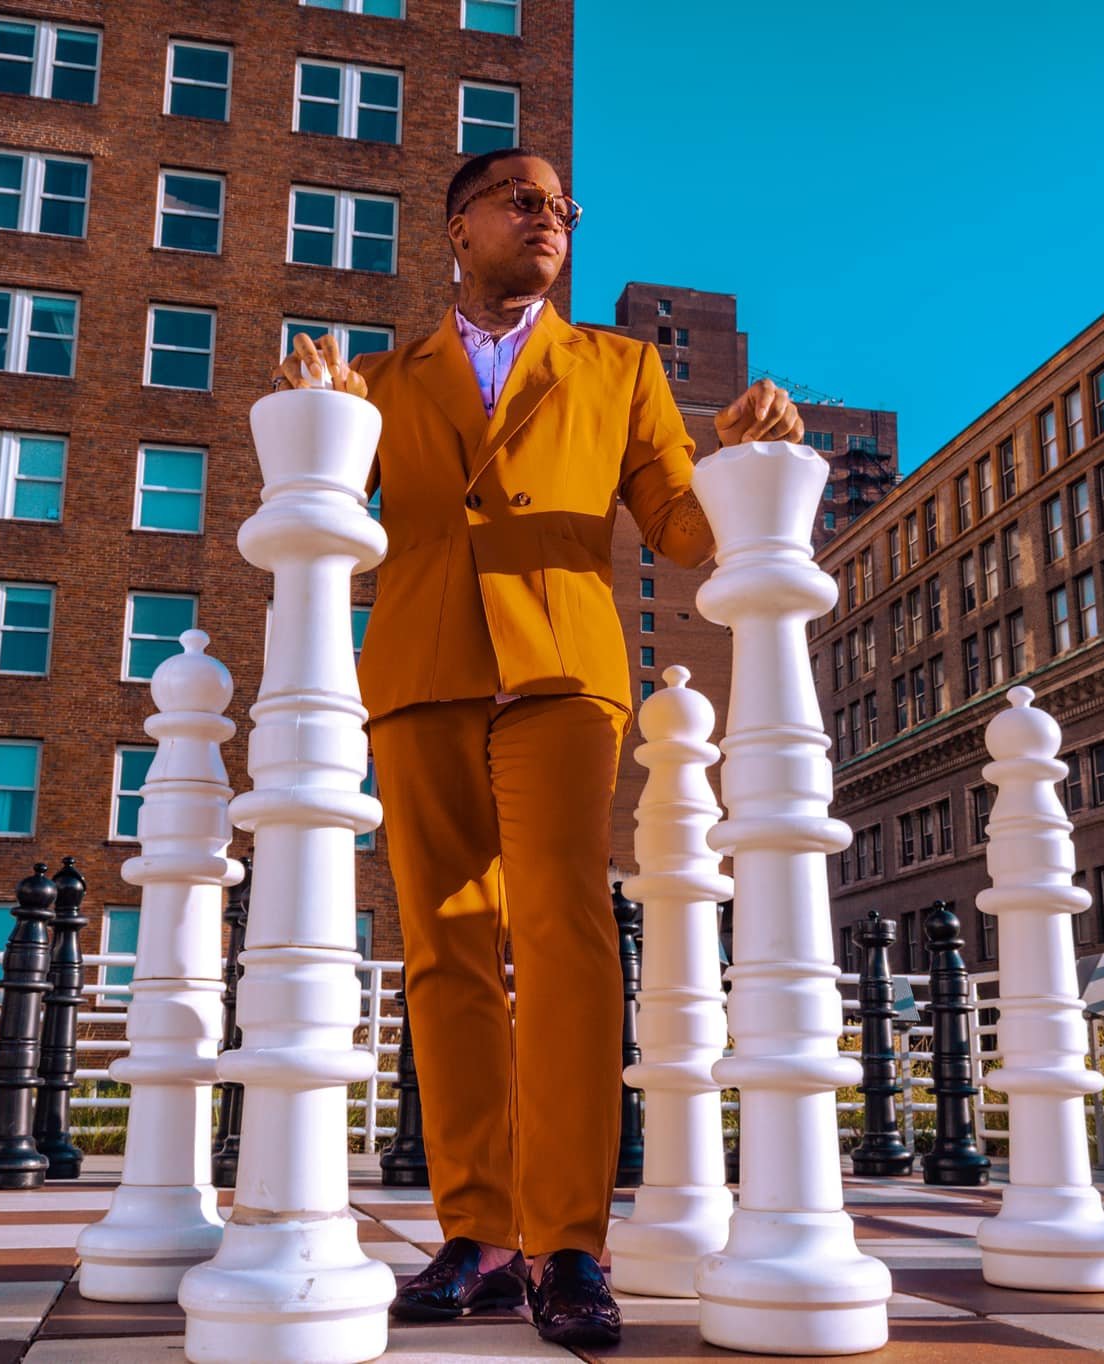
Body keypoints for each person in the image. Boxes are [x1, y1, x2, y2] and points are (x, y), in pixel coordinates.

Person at [271, 147, 803, 1349]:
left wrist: (739, 454)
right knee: (444, 943)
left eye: (563, 206)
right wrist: (317, 419)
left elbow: (675, 523)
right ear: (457, 229)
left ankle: (570, 1240)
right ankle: (480, 1233)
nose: (549, 218)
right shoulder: (381, 379)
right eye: (522, 201)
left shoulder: (618, 368)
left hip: (562, 673)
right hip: (419, 674)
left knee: (564, 937)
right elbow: (333, 507)